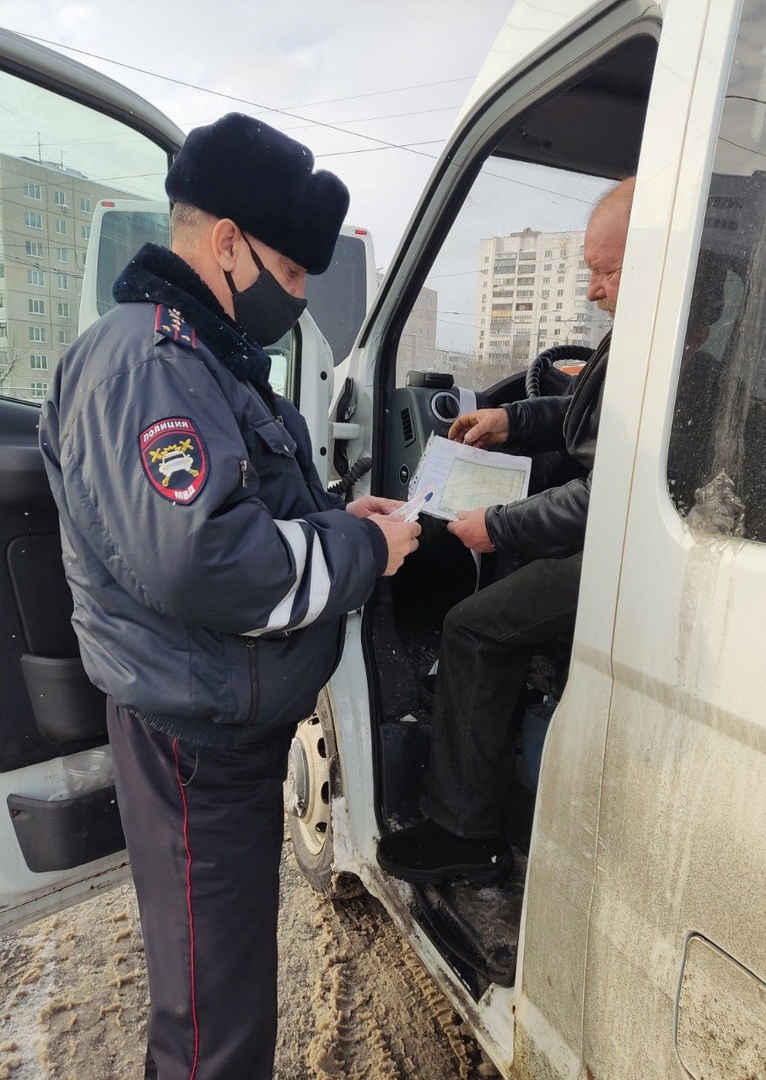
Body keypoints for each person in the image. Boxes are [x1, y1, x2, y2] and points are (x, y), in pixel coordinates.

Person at [39, 113, 420, 1080]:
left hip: (220, 726)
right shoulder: (150, 362)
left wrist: (342, 512)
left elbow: (247, 502)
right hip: (194, 741)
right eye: (290, 277)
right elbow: (207, 560)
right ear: (226, 244)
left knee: (229, 989)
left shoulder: (202, 357)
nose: (294, 301)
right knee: (215, 1024)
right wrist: (366, 548)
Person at [376, 176, 635, 886]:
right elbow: (585, 419)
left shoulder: (669, 345)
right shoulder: (652, 337)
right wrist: (511, 420)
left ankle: (465, 831)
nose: (593, 290)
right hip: (617, 538)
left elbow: (604, 495)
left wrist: (500, 525)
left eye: (608, 271)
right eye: (589, 270)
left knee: (472, 627)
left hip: (622, 551)